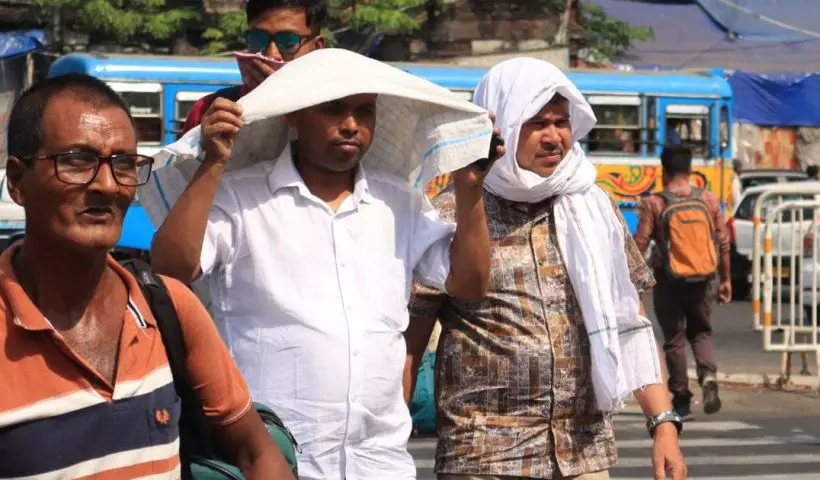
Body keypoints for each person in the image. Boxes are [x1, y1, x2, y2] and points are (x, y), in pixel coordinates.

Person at [149, 64, 504, 478]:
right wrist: (212, 165)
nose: (351, 125)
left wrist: (470, 190)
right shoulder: (241, 196)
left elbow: (470, 283)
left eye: (364, 111)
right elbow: (171, 270)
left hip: (379, 463)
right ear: (294, 114)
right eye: (333, 109)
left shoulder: (399, 202)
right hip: (272, 460)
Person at [0, 74, 293, 479]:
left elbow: (256, 451)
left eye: (123, 163)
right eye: (77, 161)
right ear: (17, 181)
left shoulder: (167, 306)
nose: (107, 185)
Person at [407, 58, 686, 480]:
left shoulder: (594, 207)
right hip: (486, 456)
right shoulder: (452, 211)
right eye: (537, 122)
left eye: (561, 121)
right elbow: (412, 340)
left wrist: (663, 424)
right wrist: (383, 440)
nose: (554, 136)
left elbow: (630, 322)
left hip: (582, 454)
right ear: (501, 127)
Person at [635, 144, 731, 420]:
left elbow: (640, 244)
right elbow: (723, 243)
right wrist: (725, 279)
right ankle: (709, 377)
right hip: (703, 277)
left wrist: (633, 281)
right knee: (701, 331)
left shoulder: (655, 203)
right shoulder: (709, 200)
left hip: (668, 278)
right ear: (690, 170)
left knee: (674, 338)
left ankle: (682, 399)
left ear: (663, 171)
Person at [182, 0, 327, 133]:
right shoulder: (209, 111)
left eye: (288, 41)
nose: (271, 54)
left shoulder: (336, 114)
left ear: (317, 47)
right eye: (259, 38)